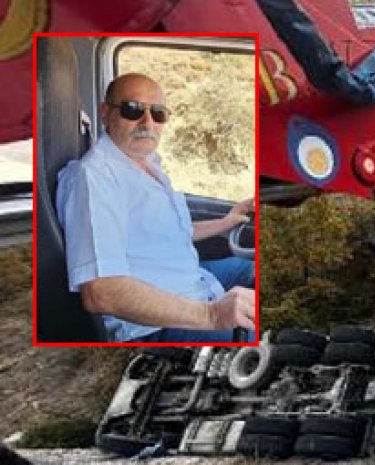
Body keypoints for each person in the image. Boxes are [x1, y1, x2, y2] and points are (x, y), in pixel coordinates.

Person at [56, 73, 256, 342]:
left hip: (192, 279)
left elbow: (167, 232)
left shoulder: (146, 162)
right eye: (133, 109)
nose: (147, 122)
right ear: (106, 113)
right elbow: (101, 290)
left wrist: (226, 221)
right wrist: (211, 315)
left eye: (158, 113)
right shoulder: (93, 178)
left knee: (259, 269)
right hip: (156, 325)